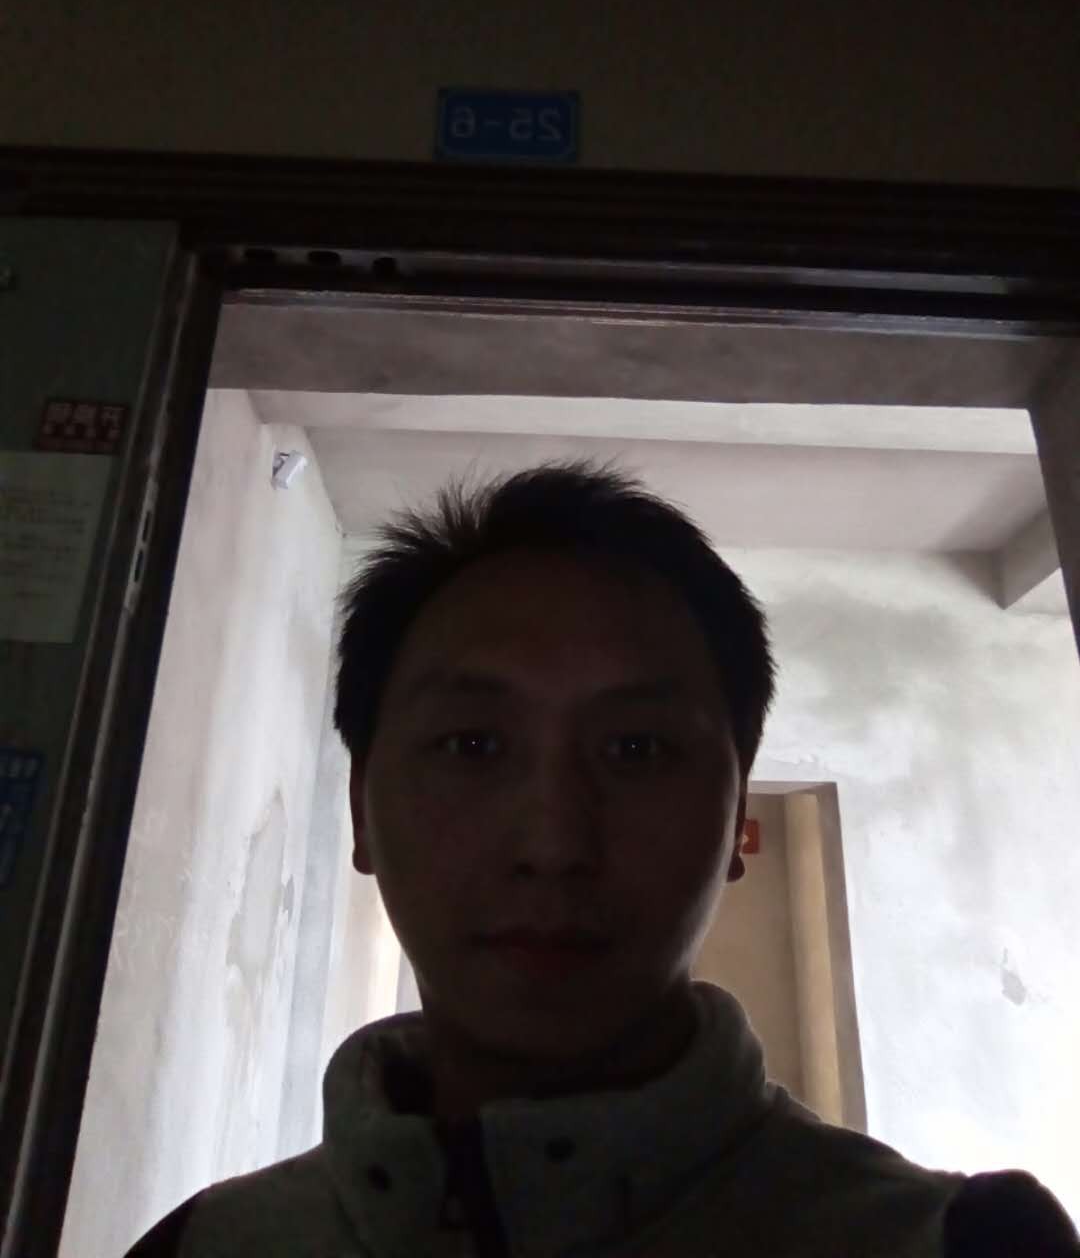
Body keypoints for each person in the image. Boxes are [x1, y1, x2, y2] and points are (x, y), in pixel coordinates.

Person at [126, 462, 1078, 1257]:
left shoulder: (962, 1247)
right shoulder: (198, 1247)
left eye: (637, 749)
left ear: (738, 821)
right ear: (360, 812)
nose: (554, 845)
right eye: (472, 745)